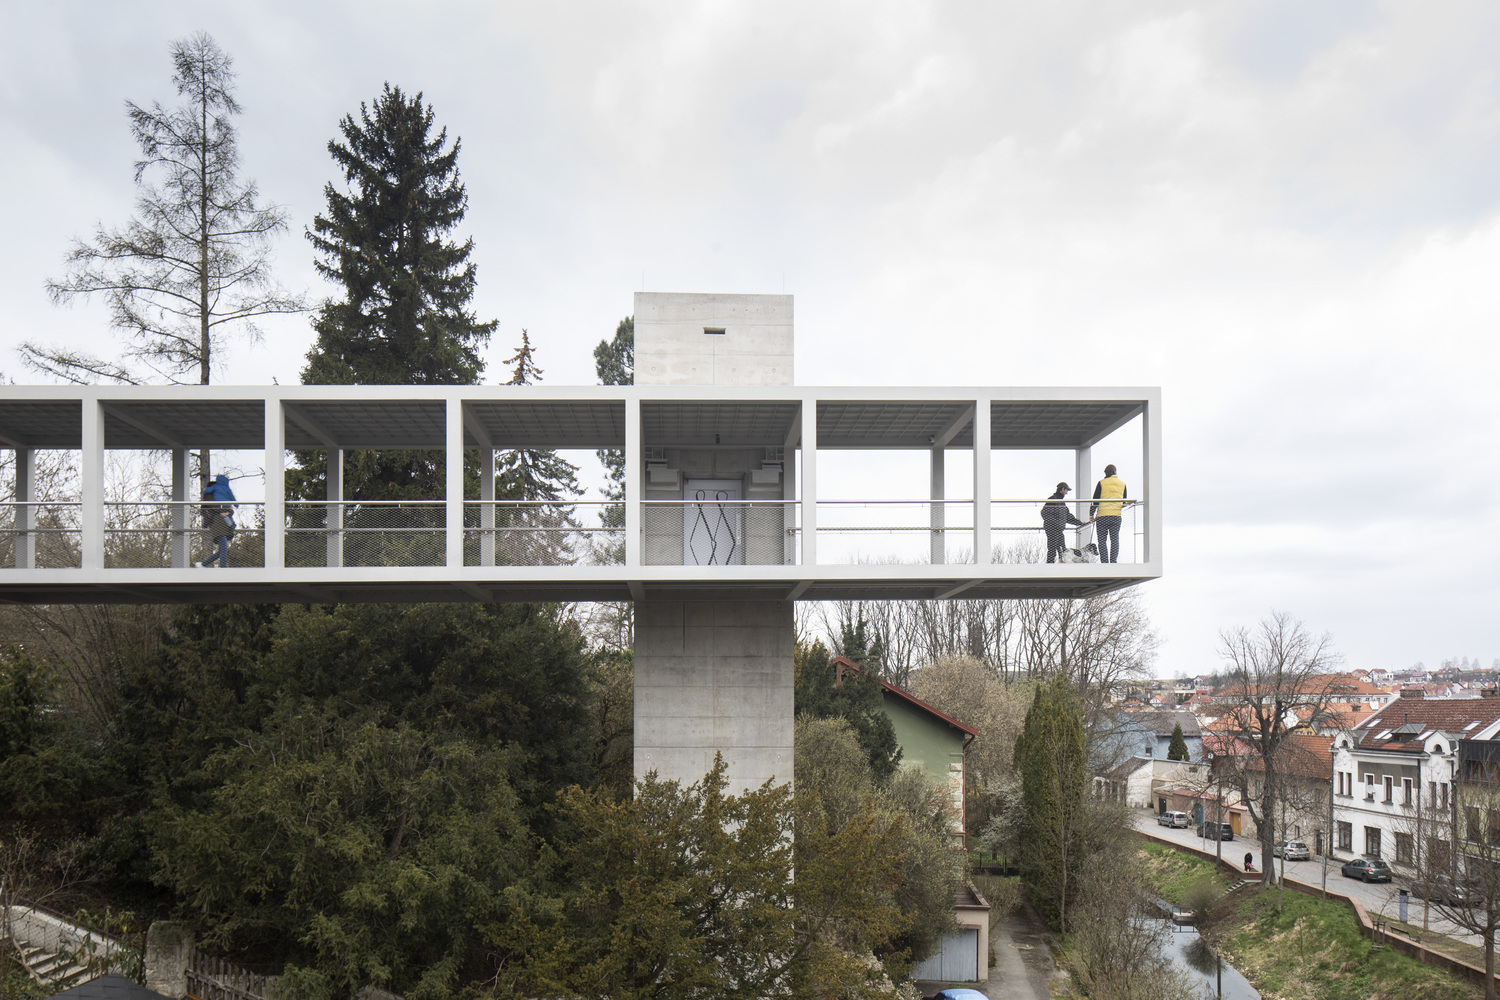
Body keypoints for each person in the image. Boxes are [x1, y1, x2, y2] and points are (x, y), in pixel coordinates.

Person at [1041, 481, 1087, 563]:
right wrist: (1056, 523)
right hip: (1052, 529)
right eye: (1066, 490)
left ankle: (1061, 564)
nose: (1066, 493)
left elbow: (1068, 517)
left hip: (1059, 530)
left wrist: (1080, 523)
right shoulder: (1052, 500)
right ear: (1062, 489)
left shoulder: (1061, 503)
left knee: (1062, 549)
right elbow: (1044, 513)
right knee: (1052, 549)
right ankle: (1049, 566)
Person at [1090, 464, 1127, 563]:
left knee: (1102, 541)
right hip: (1116, 516)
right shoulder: (1122, 484)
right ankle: (1113, 561)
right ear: (1115, 472)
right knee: (1114, 539)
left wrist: (1091, 513)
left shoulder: (1101, 483)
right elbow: (1124, 501)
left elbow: (1095, 500)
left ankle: (1104, 561)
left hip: (1102, 516)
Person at [198, 474, 237, 568]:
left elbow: (230, 510)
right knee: (224, 548)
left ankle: (203, 564)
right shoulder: (209, 496)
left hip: (224, 525)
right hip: (217, 524)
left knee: (223, 549)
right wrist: (226, 511)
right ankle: (222, 567)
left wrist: (228, 512)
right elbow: (213, 507)